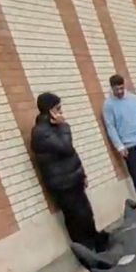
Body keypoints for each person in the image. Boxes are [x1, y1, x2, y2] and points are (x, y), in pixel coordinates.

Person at [31, 93, 108, 252]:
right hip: (62, 184)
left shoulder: (54, 128)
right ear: (49, 111)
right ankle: (85, 250)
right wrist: (63, 126)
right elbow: (66, 147)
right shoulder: (40, 132)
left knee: (86, 213)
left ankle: (96, 242)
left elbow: (72, 154)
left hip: (74, 178)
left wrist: (82, 174)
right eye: (57, 109)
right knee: (75, 218)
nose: (61, 112)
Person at [102, 73, 136, 205]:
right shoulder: (108, 105)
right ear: (112, 88)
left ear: (124, 86)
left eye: (121, 88)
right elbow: (110, 127)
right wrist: (119, 146)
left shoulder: (134, 98)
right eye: (116, 89)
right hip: (128, 146)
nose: (119, 92)